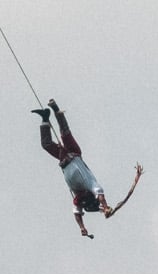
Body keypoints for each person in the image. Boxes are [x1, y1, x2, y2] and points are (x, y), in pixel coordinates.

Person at [34, 100, 141, 238]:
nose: (79, 198)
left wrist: (82, 227)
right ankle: (56, 109)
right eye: (83, 199)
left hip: (63, 158)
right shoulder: (90, 185)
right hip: (74, 153)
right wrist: (105, 207)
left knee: (46, 144)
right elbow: (100, 194)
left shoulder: (77, 198)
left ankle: (45, 118)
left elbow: (77, 213)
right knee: (65, 133)